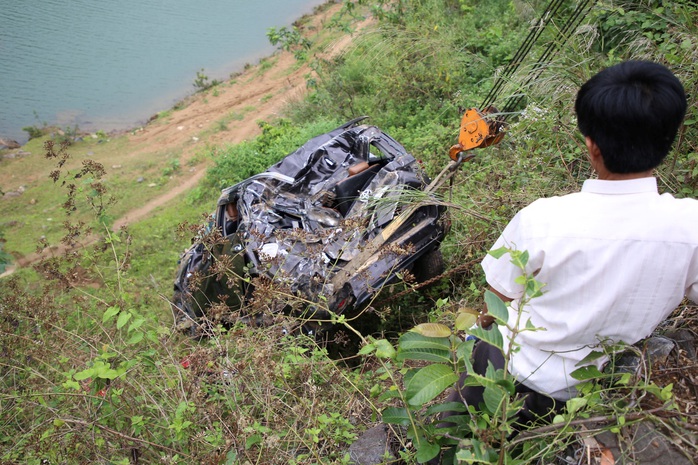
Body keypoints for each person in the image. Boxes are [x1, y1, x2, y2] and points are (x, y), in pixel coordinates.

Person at [447, 60, 696, 426]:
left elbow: (492, 305)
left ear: (591, 146)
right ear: (670, 140)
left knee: (456, 433)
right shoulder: (689, 226)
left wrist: (469, 341)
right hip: (585, 394)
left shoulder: (541, 219)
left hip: (505, 368)